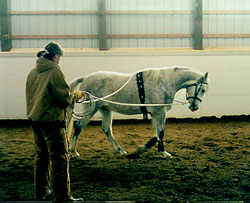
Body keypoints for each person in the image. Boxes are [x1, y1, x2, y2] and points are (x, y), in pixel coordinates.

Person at [26, 42, 83, 201]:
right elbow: (64, 99)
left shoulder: (33, 72)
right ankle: (62, 196)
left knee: (41, 157)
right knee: (59, 158)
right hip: (52, 122)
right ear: (55, 56)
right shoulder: (54, 72)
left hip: (36, 121)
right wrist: (77, 96)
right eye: (59, 57)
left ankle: (41, 193)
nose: (59, 60)